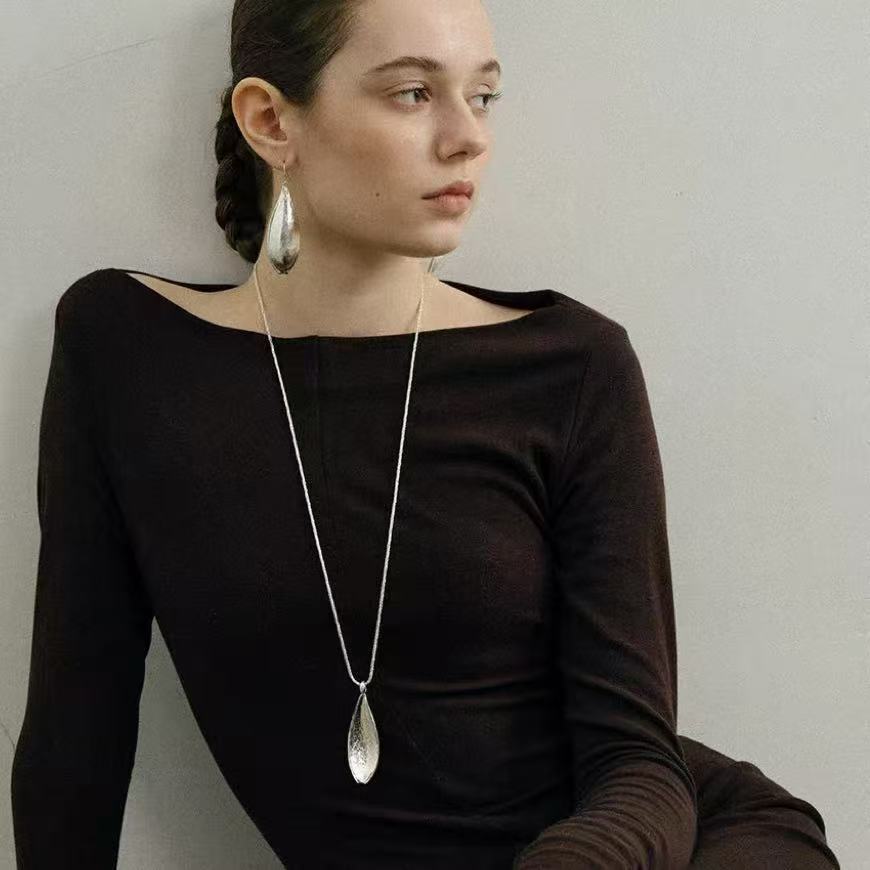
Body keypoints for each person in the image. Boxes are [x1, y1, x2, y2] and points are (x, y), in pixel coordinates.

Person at [10, 1, 839, 868]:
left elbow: (638, 760)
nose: (468, 138)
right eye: (413, 93)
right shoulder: (127, 351)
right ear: (270, 121)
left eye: (482, 97)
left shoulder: (570, 368)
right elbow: (76, 726)